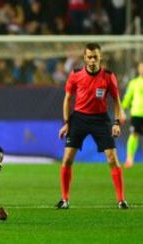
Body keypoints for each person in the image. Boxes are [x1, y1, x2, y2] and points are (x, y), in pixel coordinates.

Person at [56, 43, 128, 209]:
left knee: (112, 159)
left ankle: (121, 200)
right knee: (67, 159)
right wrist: (67, 123)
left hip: (100, 120)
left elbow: (116, 101)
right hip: (79, 119)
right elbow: (67, 99)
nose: (93, 60)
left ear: (100, 57)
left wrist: (116, 122)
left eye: (95, 56)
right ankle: (64, 199)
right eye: (89, 57)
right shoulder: (75, 75)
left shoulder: (109, 76)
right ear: (84, 58)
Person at [122, 62, 143, 168]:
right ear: (138, 69)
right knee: (134, 135)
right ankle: (130, 159)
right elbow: (127, 98)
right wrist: (121, 109)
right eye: (141, 67)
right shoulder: (134, 83)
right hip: (137, 113)